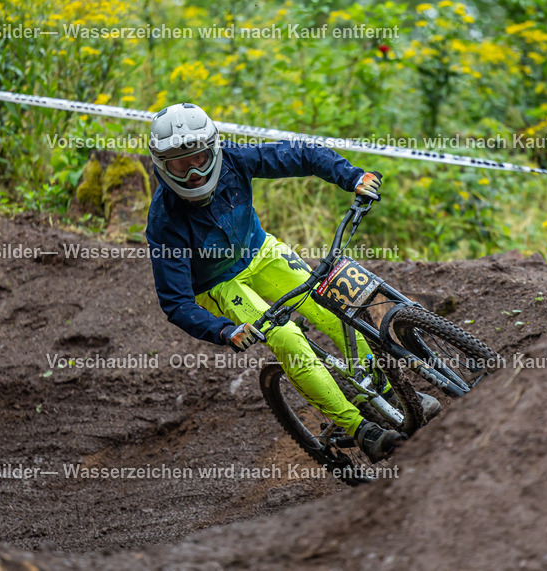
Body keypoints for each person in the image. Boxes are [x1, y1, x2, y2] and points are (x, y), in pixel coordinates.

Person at [145, 102, 439, 463]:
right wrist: (225, 331)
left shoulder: (235, 160)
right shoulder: (164, 221)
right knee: (287, 338)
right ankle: (360, 429)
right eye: (179, 163)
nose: (192, 172)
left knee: (336, 309)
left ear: (215, 149)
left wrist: (351, 177)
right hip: (219, 286)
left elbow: (299, 153)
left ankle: (388, 395)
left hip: (261, 253)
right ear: (162, 164)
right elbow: (175, 302)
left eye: (199, 158)